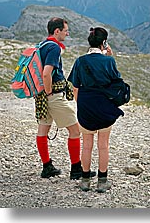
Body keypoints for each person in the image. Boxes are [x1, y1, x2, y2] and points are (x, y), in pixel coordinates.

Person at [35, 17, 96, 180]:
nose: (67, 34)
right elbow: (47, 73)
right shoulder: (54, 48)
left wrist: (45, 94)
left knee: (43, 130)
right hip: (52, 95)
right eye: (65, 31)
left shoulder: (42, 45)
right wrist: (50, 94)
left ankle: (47, 166)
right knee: (75, 131)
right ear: (57, 31)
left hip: (41, 96)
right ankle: (76, 169)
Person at [68, 27, 124, 193]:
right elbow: (116, 83)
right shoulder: (109, 61)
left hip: (86, 107)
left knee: (86, 145)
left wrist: (82, 105)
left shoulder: (80, 61)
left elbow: (75, 88)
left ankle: (85, 181)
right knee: (103, 145)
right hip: (105, 107)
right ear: (104, 43)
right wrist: (110, 57)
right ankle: (102, 181)